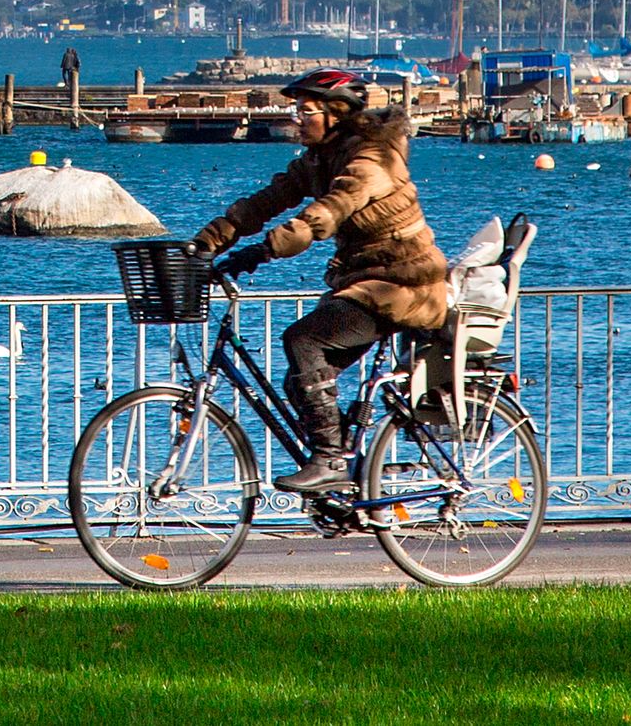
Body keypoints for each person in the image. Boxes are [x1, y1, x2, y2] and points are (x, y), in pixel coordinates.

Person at [188, 68, 452, 496]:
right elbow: (267, 200)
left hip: (405, 284)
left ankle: (331, 458)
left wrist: (262, 251)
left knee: (303, 340)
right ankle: (352, 471)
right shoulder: (321, 157)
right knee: (302, 381)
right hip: (368, 283)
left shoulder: (373, 158)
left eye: (304, 110)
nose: (296, 119)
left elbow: (327, 212)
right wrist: (208, 242)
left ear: (336, 112)